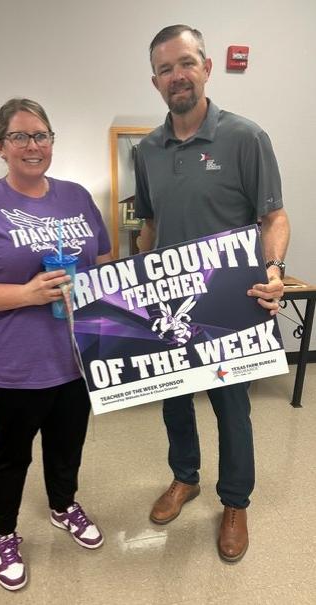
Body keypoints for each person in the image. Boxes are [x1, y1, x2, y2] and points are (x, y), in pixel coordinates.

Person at [0, 98, 112, 591]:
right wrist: (26, 292)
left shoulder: (77, 197)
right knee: (11, 454)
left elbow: (102, 263)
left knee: (67, 446)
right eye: (19, 137)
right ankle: (4, 533)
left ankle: (63, 506)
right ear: (0, 146)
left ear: (52, 142)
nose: (32, 146)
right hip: (15, 364)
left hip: (76, 358)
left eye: (41, 135)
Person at [135, 25, 290, 563]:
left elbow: (274, 216)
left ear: (206, 67)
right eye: (164, 68)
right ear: (154, 81)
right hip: (171, 301)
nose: (176, 75)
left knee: (232, 409)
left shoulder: (245, 137)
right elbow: (150, 226)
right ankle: (185, 478)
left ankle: (235, 502)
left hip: (228, 303)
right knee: (174, 399)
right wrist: (130, 278)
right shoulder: (148, 150)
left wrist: (273, 268)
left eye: (185, 63)